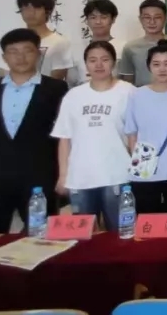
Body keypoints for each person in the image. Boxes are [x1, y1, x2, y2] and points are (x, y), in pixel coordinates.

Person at [0, 29, 68, 233]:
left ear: (38, 54)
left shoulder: (56, 89)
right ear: (4, 57)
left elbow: (62, 133)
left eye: (27, 50)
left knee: (41, 236)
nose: (21, 57)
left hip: (41, 174)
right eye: (13, 51)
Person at [52, 41, 135, 229]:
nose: (99, 65)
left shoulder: (128, 92)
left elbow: (135, 135)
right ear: (86, 64)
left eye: (105, 59)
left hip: (118, 175)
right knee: (83, 235)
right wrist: (63, 175)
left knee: (121, 232)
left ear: (114, 62)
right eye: (92, 60)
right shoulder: (74, 96)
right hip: (80, 177)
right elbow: (65, 138)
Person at [124, 40, 167, 216]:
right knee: (146, 221)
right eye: (156, 64)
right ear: (149, 67)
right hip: (143, 170)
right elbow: (132, 134)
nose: (162, 69)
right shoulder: (136, 95)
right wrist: (139, 165)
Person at [0, 0, 72, 81]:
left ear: (47, 12)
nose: (30, 13)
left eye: (36, 8)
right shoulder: (12, 41)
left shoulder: (59, 42)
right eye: (26, 8)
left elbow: (57, 77)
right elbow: (3, 73)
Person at [120, 0, 167, 87]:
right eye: (147, 17)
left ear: (165, 19)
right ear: (140, 19)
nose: (152, 22)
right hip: (141, 94)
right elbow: (128, 81)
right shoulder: (130, 47)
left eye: (157, 17)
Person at [69, 0, 122, 87]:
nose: (98, 22)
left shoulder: (123, 47)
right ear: (87, 20)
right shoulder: (76, 49)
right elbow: (71, 81)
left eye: (104, 17)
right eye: (93, 17)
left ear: (113, 19)